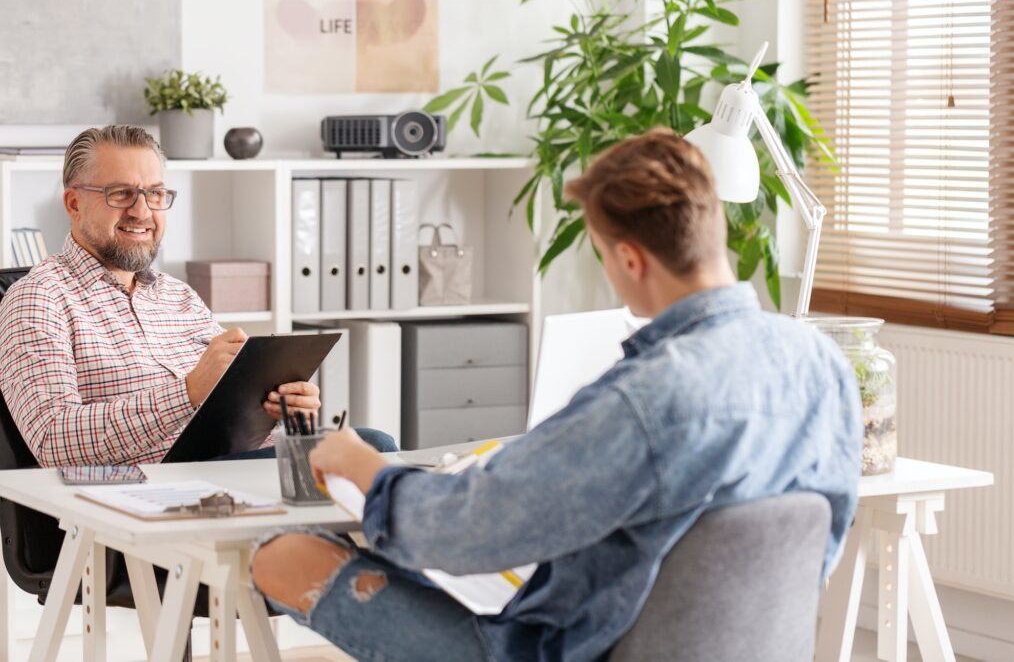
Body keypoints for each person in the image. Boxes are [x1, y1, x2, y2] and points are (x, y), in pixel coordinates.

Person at [250, 128, 863, 661]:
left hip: (573, 652)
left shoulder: (649, 400)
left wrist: (366, 466)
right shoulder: (822, 366)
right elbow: (823, 543)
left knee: (282, 556)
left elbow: (465, 531)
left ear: (629, 259)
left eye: (599, 254)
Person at [0, 124, 394, 467]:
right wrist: (187, 392)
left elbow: (226, 409)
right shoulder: (38, 298)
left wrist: (280, 408)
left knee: (369, 451)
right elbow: (53, 440)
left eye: (155, 194)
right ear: (73, 203)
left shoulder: (179, 297)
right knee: (372, 452)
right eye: (121, 194)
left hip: (226, 473)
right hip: (139, 495)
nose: (142, 211)